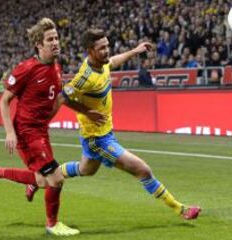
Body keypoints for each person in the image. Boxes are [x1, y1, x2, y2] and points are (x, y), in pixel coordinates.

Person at [28, 28, 201, 221]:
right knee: (143, 170)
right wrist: (86, 112)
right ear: (90, 50)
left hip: (104, 132)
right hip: (97, 138)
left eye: (107, 46)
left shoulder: (101, 64)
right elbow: (62, 97)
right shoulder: (85, 77)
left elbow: (113, 61)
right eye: (102, 48)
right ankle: (181, 209)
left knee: (86, 170)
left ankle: (40, 177)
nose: (107, 51)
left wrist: (135, 51)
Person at [0, 18, 102, 236]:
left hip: (41, 131)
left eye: (57, 38)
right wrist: (9, 132)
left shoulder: (56, 67)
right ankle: (52, 224)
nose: (56, 42)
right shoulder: (26, 69)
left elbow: (60, 99)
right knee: (56, 178)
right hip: (27, 133)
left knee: (42, 180)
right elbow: (4, 100)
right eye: (50, 39)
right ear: (39, 44)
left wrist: (85, 111)